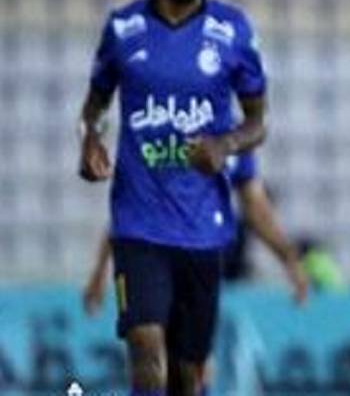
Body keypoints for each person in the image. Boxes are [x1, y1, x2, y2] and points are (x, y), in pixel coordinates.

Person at [77, 0, 269, 396]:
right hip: (138, 225)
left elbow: (258, 123)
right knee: (147, 351)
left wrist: (225, 144)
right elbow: (94, 107)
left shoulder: (232, 31)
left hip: (202, 230)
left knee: (188, 375)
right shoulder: (123, 29)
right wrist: (90, 139)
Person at [82, 152, 308, 389]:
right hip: (150, 260)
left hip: (199, 268)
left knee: (193, 368)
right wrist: (100, 272)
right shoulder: (161, 144)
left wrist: (289, 260)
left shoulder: (233, 146)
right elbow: (127, 215)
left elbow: (254, 205)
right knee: (148, 350)